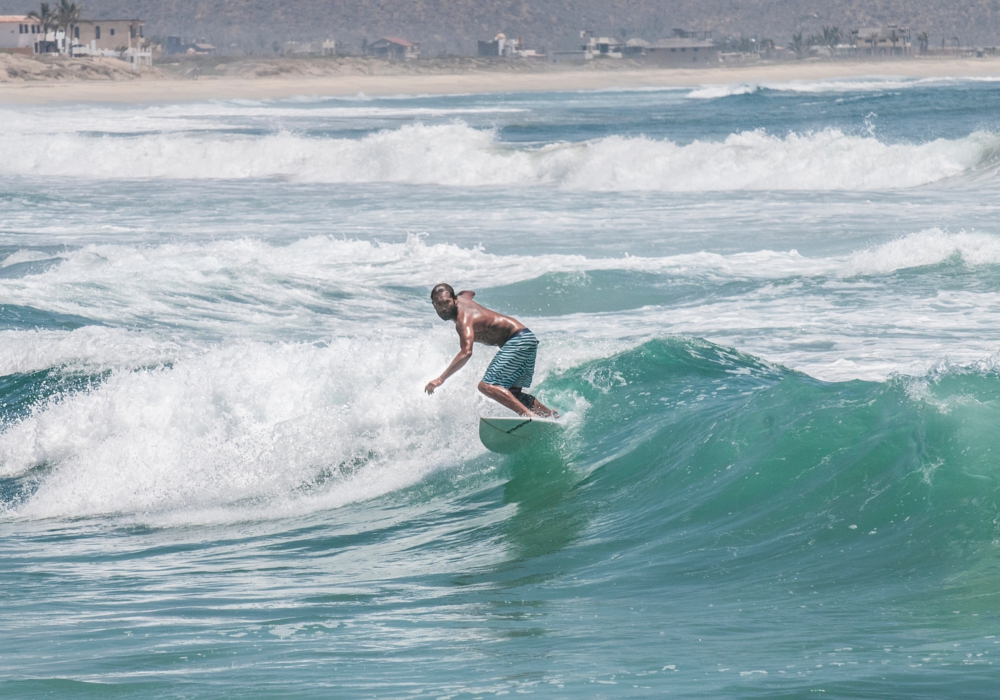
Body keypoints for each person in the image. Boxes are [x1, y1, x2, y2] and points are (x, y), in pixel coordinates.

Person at [424, 283, 557, 418]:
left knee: (487, 386)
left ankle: (529, 416)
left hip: (518, 340)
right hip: (527, 339)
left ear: (454, 300)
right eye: (439, 304)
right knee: (514, 394)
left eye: (447, 302)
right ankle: (550, 416)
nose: (444, 308)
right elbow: (469, 293)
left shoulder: (462, 321)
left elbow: (466, 352)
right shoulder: (461, 298)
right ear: (433, 304)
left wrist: (441, 379)